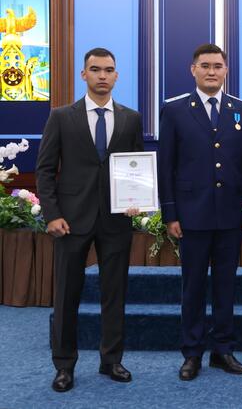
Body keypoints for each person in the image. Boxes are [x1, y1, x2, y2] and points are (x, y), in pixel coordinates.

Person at [36, 47, 144, 392]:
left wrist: (137, 199)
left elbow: (136, 166)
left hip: (116, 220)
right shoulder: (61, 117)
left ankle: (111, 360)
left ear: (116, 76)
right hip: (70, 220)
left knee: (115, 293)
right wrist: (52, 214)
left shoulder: (131, 118)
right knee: (67, 295)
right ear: (83, 74)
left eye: (108, 70)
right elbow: (45, 170)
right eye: (95, 69)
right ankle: (64, 365)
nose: (102, 75)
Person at [158, 43, 242, 381]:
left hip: (230, 213)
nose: (211, 71)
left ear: (226, 70)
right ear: (193, 70)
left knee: (226, 286)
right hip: (191, 214)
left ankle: (223, 350)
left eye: (217, 66)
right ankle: (192, 353)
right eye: (205, 65)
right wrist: (170, 213)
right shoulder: (174, 109)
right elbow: (166, 166)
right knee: (193, 287)